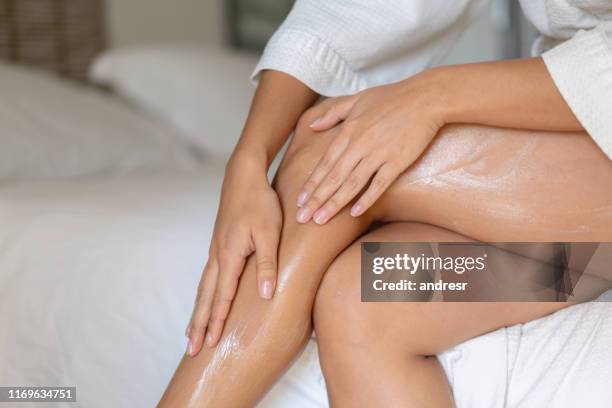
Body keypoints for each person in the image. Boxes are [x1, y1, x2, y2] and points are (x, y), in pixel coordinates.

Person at [159, 0, 612, 406]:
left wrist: (431, 96)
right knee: (367, 293)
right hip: (589, 250)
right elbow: (363, 10)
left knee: (339, 156)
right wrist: (247, 161)